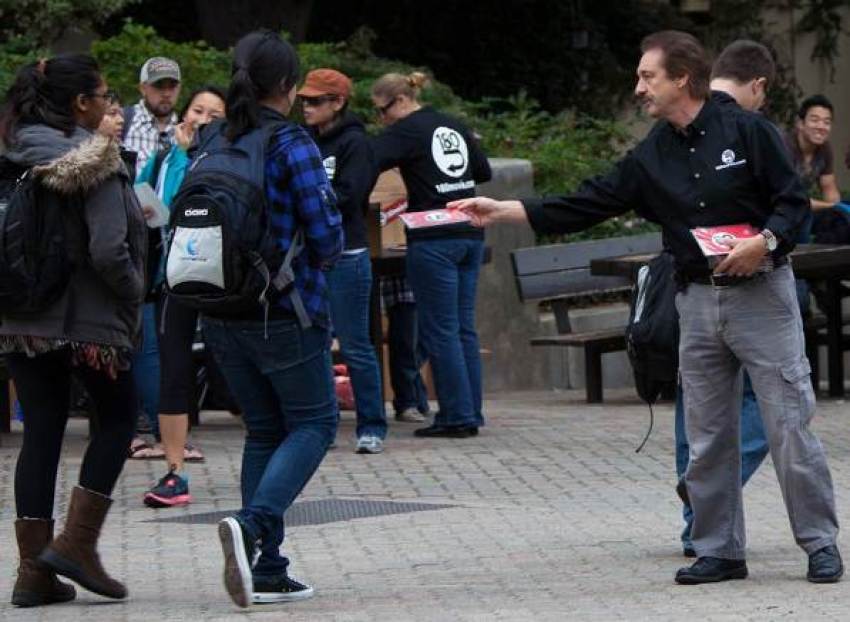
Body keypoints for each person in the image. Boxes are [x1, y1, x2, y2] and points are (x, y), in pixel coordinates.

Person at [451, 30, 842, 585]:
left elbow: (793, 204)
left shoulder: (749, 131)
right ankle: (719, 550)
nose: (638, 88)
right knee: (707, 434)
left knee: (788, 424)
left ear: (682, 78)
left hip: (762, 296)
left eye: (647, 76)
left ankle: (820, 543)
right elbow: (588, 201)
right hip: (696, 300)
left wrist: (765, 242)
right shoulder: (652, 153)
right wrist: (505, 209)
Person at [0, 54, 146, 605]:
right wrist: (134, 291)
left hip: (20, 318)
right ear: (80, 103)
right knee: (119, 419)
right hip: (90, 323)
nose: (109, 105)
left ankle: (33, 574)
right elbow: (109, 250)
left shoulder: (11, 150)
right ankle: (77, 545)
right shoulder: (95, 159)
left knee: (41, 431)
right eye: (104, 96)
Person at [205, 31, 342, 607]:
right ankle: (254, 526)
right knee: (315, 423)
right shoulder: (292, 143)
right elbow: (327, 237)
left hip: (218, 311)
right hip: (284, 311)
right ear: (287, 84)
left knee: (264, 431)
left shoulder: (215, 138)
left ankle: (266, 568)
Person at [672, 39, 775, 558]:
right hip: (751, 283)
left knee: (696, 403)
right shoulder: (751, 129)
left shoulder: (674, 129)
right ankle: (703, 496)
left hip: (686, 282)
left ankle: (698, 519)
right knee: (767, 401)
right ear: (758, 85)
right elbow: (787, 208)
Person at [371, 72, 491, 438]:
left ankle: (456, 416)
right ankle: (472, 411)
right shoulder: (453, 124)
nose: (381, 119)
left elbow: (368, 160)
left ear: (400, 101)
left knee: (440, 330)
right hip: (470, 231)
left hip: (433, 237)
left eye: (381, 110)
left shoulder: (406, 130)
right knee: (463, 327)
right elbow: (482, 170)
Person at [137, 85, 226, 507]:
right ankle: (174, 471)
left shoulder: (230, 156)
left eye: (214, 114)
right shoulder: (164, 157)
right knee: (172, 366)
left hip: (223, 276)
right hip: (172, 274)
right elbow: (146, 198)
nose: (203, 120)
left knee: (236, 362)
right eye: (197, 110)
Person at [298, 68, 387, 454]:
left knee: (355, 344)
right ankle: (324, 424)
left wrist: (310, 198)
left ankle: (372, 426)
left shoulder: (356, 143)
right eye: (304, 100)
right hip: (310, 255)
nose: (307, 107)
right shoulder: (305, 140)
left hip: (347, 253)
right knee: (316, 344)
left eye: (315, 101)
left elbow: (351, 196)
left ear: (338, 103)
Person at [381, 275, 430, 422]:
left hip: (422, 289)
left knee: (420, 346)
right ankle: (407, 402)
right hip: (401, 292)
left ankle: (417, 399)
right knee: (405, 348)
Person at [122, 56, 182, 174]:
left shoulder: (185, 128)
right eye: (159, 86)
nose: (166, 93)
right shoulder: (123, 121)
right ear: (143, 88)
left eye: (172, 86)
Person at [786, 95, 840, 212]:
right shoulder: (783, 146)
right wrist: (830, 206)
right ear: (800, 123)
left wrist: (839, 209)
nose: (821, 127)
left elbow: (829, 188)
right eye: (814, 120)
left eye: (826, 122)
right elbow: (788, 197)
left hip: (796, 211)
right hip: (767, 209)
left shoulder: (825, 149)